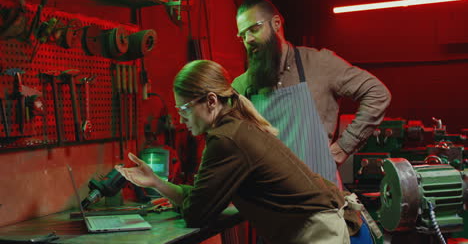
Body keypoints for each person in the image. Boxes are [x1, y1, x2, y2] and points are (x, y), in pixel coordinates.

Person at [116, 60, 353, 244]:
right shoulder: (237, 127)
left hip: (317, 233)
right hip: (318, 225)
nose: (180, 118)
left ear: (211, 101)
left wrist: (178, 196)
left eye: (185, 109)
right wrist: (156, 182)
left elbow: (196, 213)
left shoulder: (226, 140)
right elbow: (202, 198)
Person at [232, 0, 390, 243]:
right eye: (242, 35)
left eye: (254, 28)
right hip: (278, 220)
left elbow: (377, 93)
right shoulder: (242, 87)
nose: (248, 39)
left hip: (326, 214)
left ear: (275, 24)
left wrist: (341, 148)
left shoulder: (319, 64)